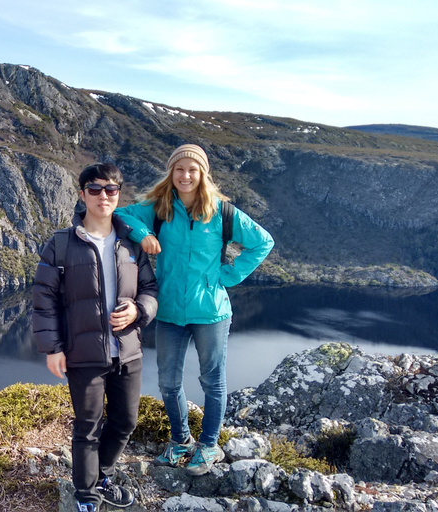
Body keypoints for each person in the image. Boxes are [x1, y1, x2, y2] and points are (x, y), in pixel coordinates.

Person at [115, 144, 274, 475]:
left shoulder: (222, 212)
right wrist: (143, 233)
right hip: (170, 310)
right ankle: (181, 441)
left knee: (212, 381)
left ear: (203, 174)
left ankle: (210, 446)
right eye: (179, 169)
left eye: (192, 169)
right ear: (171, 174)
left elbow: (263, 242)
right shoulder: (160, 209)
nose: (185, 176)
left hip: (211, 313)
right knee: (169, 382)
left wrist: (227, 275)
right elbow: (120, 215)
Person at [33, 163, 159, 512]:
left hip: (128, 351)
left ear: (119, 194)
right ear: (81, 194)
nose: (103, 195)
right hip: (84, 352)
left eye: (111, 189)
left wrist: (139, 311)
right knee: (88, 427)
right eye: (95, 189)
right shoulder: (61, 243)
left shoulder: (131, 244)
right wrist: (53, 348)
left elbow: (149, 289)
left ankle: (101, 476)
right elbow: (43, 300)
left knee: (125, 421)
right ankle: (86, 495)